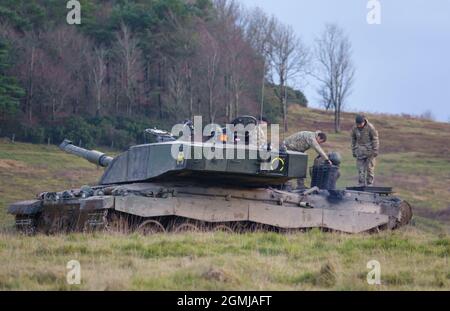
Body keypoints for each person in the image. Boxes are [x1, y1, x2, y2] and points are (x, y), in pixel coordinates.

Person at [351, 114, 379, 186]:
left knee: (369, 168)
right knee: (360, 169)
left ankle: (369, 183)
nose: (359, 125)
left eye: (360, 124)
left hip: (370, 151)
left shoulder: (370, 128)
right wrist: (353, 150)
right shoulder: (355, 128)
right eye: (357, 124)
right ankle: (361, 183)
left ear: (364, 122)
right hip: (359, 151)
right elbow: (353, 139)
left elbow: (375, 139)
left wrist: (375, 150)